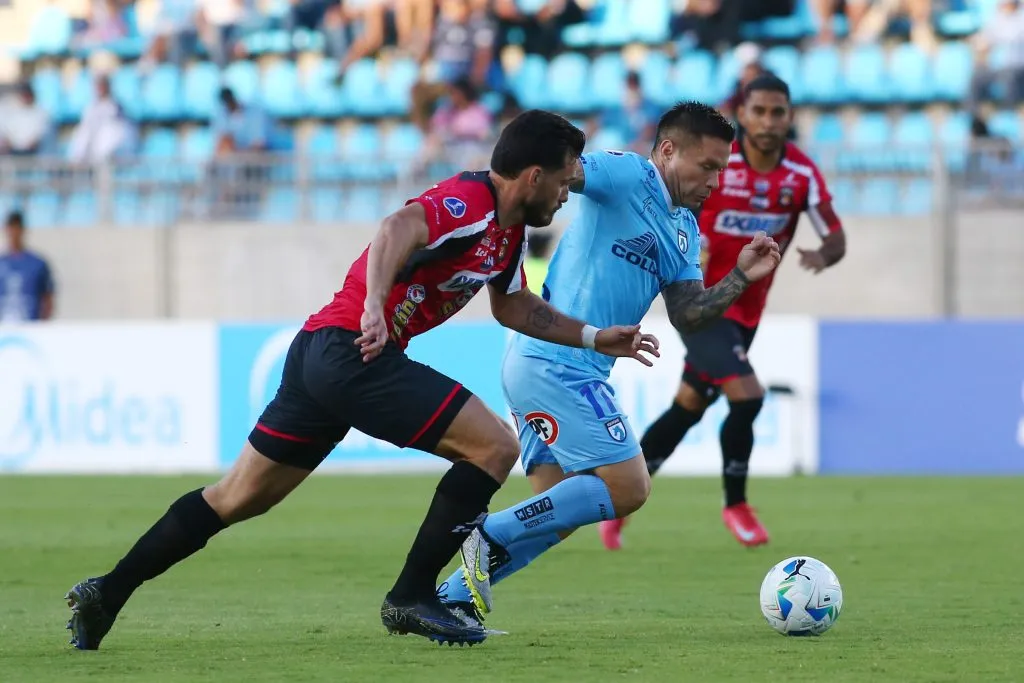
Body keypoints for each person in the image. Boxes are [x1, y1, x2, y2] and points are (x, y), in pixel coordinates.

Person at [64, 110, 660, 650]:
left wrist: (592, 336)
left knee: (237, 497)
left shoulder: (506, 234)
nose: (566, 193)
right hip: (353, 350)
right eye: (564, 181)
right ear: (533, 176)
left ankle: (106, 592)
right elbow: (396, 226)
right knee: (494, 448)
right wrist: (375, 303)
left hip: (321, 355)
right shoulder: (471, 201)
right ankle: (412, 595)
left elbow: (513, 307)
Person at [434, 101, 782, 626]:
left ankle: (455, 596)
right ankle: (485, 533)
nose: (715, 181)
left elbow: (688, 314)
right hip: (557, 361)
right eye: (707, 166)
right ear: (668, 150)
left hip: (544, 366)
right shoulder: (626, 174)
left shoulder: (685, 229)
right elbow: (561, 174)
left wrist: (738, 277)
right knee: (629, 486)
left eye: (722, 170)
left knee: (556, 512)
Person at [601, 75, 846, 551]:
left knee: (688, 407)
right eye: (759, 111)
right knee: (748, 396)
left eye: (778, 112)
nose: (768, 121)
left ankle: (617, 500)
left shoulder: (801, 174)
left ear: (789, 117)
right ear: (743, 114)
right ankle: (736, 504)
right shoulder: (718, 165)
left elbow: (835, 236)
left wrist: (824, 254)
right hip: (701, 303)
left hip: (746, 313)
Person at [0, 211, 55, 322]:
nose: (14, 232)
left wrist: (42, 325)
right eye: (11, 228)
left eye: (17, 228)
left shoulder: (38, 264)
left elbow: (48, 297)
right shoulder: (2, 262)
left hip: (29, 325)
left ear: (22, 230)